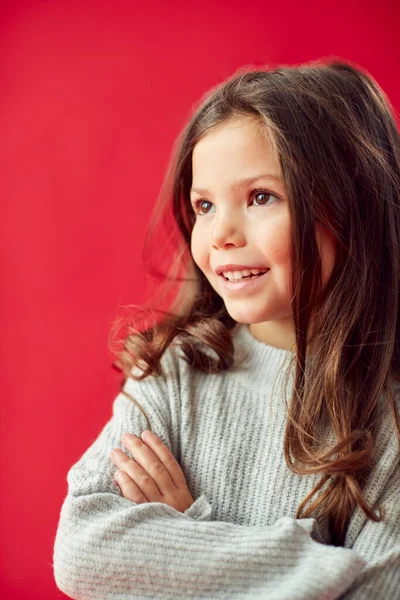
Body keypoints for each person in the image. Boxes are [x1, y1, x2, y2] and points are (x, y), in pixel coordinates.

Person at [53, 58, 400, 599]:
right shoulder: (175, 372)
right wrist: (330, 566)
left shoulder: (388, 410)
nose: (220, 234)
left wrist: (182, 534)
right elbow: (82, 551)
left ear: (351, 205)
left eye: (261, 197)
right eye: (205, 206)